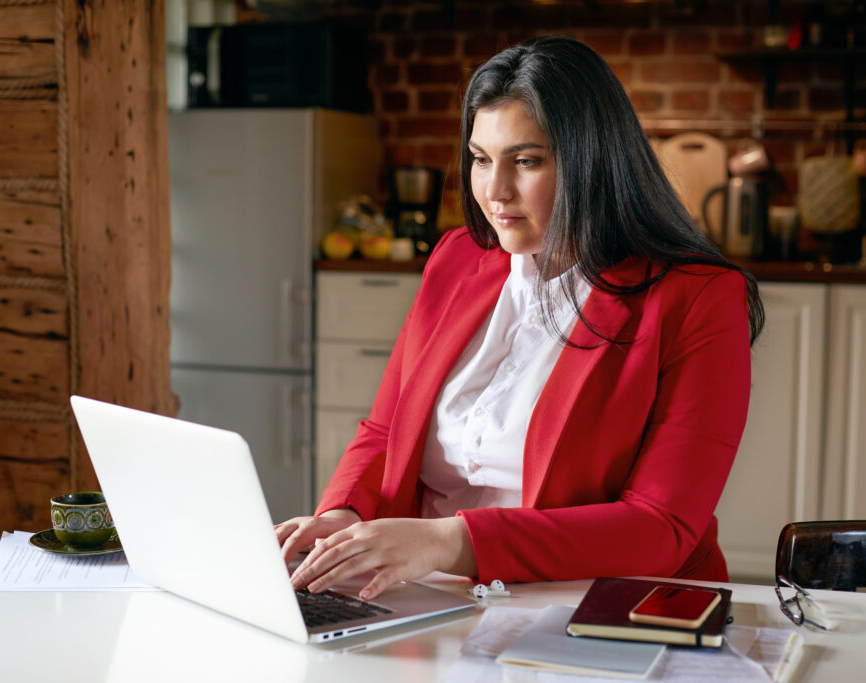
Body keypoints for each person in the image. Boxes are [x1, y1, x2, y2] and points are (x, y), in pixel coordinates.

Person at [277, 35, 764, 602]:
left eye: (526, 161)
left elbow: (661, 526)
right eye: (481, 160)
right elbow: (386, 430)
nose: (494, 191)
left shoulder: (697, 298)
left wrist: (449, 541)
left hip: (602, 607)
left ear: (592, 161)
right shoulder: (458, 258)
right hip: (434, 599)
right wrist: (343, 513)